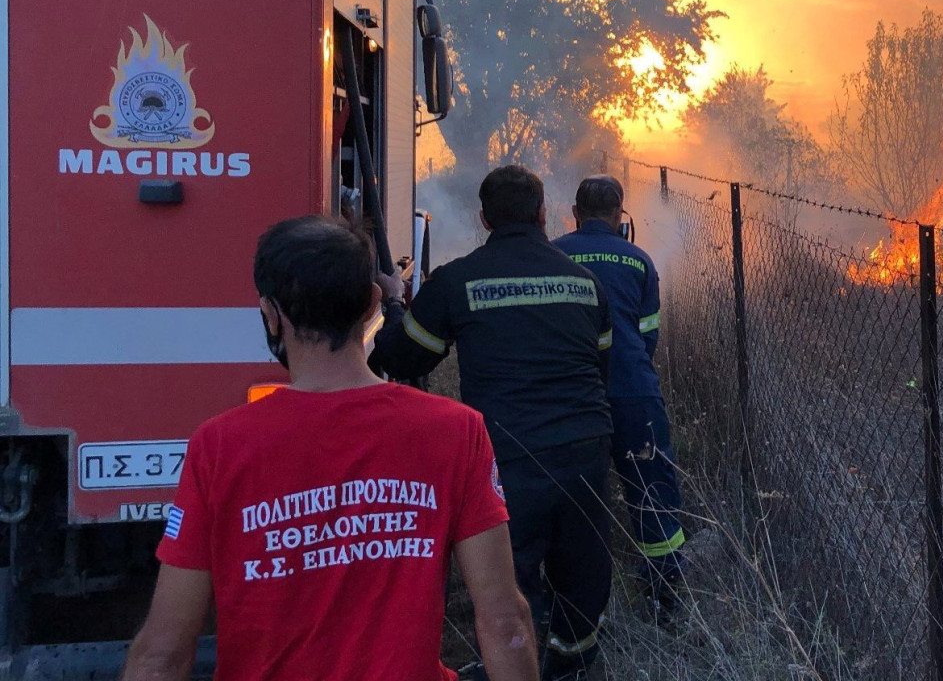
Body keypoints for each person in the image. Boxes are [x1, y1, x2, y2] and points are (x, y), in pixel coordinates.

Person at [122, 216, 535, 681]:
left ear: (271, 314)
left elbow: (162, 655)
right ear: (373, 304)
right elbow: (504, 622)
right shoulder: (456, 431)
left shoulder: (219, 447)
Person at [371, 165, 613, 681]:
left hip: (508, 458)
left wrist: (394, 301)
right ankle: (571, 665)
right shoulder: (586, 283)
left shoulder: (458, 281)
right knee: (583, 570)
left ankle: (513, 664)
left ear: (483, 218)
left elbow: (400, 358)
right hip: (585, 452)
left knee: (512, 579)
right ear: (544, 214)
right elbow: (603, 368)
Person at [552, 176, 686, 620]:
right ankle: (663, 595)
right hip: (633, 392)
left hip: (571, 394)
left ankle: (570, 598)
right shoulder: (640, 261)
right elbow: (648, 338)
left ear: (574, 212)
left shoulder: (552, 254)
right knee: (651, 490)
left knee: (570, 492)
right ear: (618, 216)